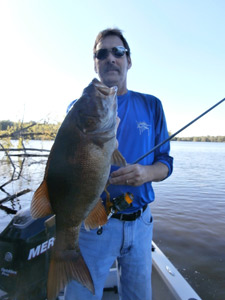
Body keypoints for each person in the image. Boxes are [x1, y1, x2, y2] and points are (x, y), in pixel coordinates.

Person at [65, 28, 173, 300]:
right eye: (102, 53)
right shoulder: (80, 108)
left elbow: (166, 164)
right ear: (95, 63)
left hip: (141, 225)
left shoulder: (152, 105)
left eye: (118, 52)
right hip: (94, 226)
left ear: (129, 60)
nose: (110, 58)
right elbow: (69, 168)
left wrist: (146, 173)